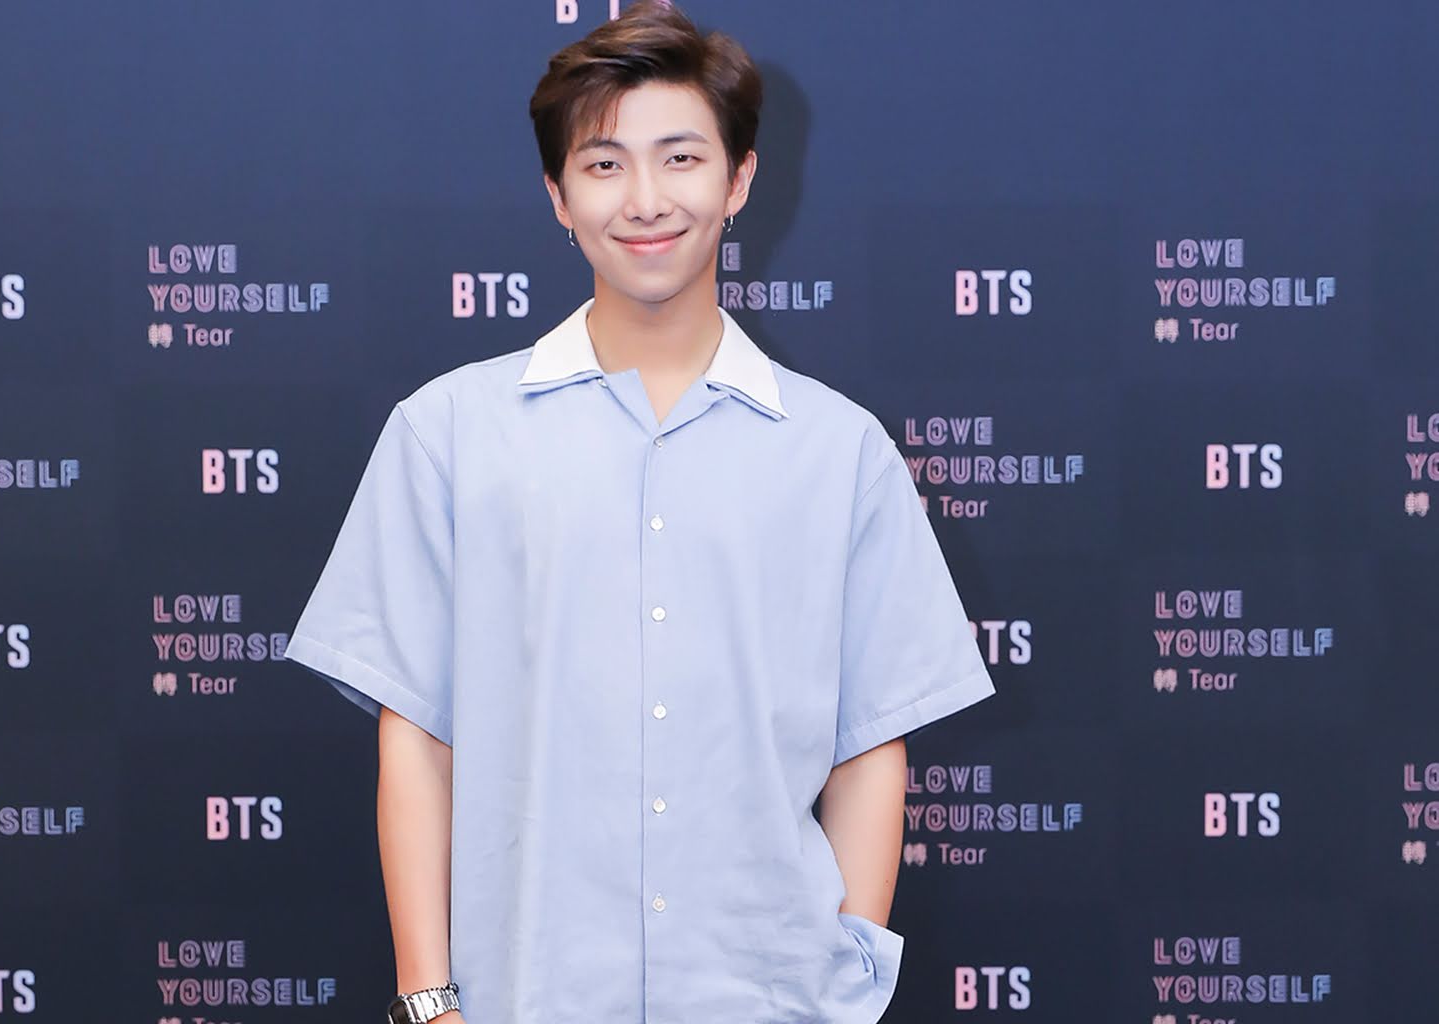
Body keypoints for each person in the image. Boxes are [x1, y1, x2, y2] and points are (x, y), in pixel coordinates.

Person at [283, 2, 995, 1022]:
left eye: (681, 158)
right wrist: (428, 1001)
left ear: (739, 180)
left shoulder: (841, 453)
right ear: (558, 196)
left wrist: (843, 987)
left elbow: (870, 745)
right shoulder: (447, 434)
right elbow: (417, 741)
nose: (646, 200)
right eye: (605, 164)